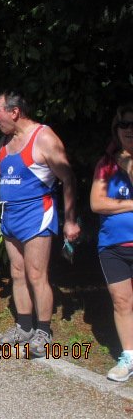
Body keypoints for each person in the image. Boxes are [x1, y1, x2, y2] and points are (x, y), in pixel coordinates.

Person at [0, 90, 81, 358]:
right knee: (17, 273)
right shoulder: (5, 140)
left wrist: (70, 220)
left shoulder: (44, 137)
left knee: (37, 274)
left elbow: (68, 178)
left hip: (37, 214)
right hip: (10, 214)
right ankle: (23, 327)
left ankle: (43, 332)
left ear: (14, 112)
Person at [90, 104, 133, 381]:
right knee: (121, 302)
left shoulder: (122, 164)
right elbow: (96, 203)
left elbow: (107, 202)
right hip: (113, 246)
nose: (129, 130)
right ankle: (129, 356)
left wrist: (128, 166)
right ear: (116, 130)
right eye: (124, 125)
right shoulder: (105, 164)